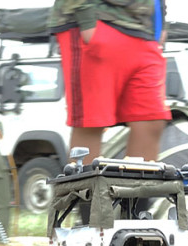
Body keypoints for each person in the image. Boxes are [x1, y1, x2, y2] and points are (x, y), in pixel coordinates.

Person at [49, 0, 171, 164]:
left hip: (142, 29)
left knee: (151, 120)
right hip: (96, 20)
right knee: (91, 122)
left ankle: (135, 189)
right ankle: (84, 190)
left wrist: (161, 23)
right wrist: (87, 21)